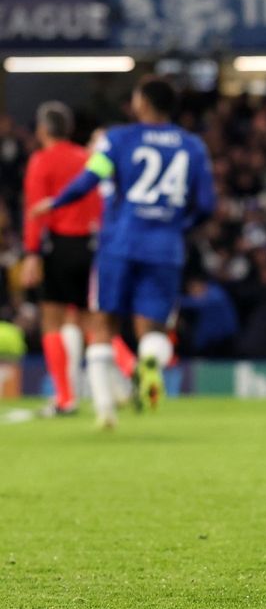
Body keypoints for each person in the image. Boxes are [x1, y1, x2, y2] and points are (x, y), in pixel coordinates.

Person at [33, 76, 216, 428]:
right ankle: (150, 360)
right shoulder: (192, 146)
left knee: (102, 323)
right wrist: (177, 225)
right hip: (165, 247)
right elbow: (206, 204)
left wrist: (56, 202)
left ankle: (105, 410)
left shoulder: (119, 139)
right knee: (153, 329)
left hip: (119, 244)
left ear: (142, 103)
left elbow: (90, 178)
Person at [20, 102, 102, 416]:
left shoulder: (41, 160)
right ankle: (126, 369)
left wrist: (31, 253)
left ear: (43, 129)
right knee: (93, 321)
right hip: (92, 245)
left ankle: (65, 398)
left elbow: (35, 210)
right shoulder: (88, 158)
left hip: (59, 246)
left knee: (52, 320)